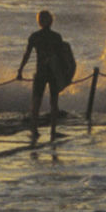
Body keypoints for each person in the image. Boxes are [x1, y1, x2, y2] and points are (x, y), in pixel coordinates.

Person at [17, 9, 67, 141]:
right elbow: (63, 58)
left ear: (39, 21)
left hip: (41, 73)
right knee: (53, 103)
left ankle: (35, 130)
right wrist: (65, 75)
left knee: (37, 102)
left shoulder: (35, 36)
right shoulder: (56, 37)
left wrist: (20, 70)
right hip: (52, 74)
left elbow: (26, 55)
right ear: (51, 21)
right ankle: (53, 130)